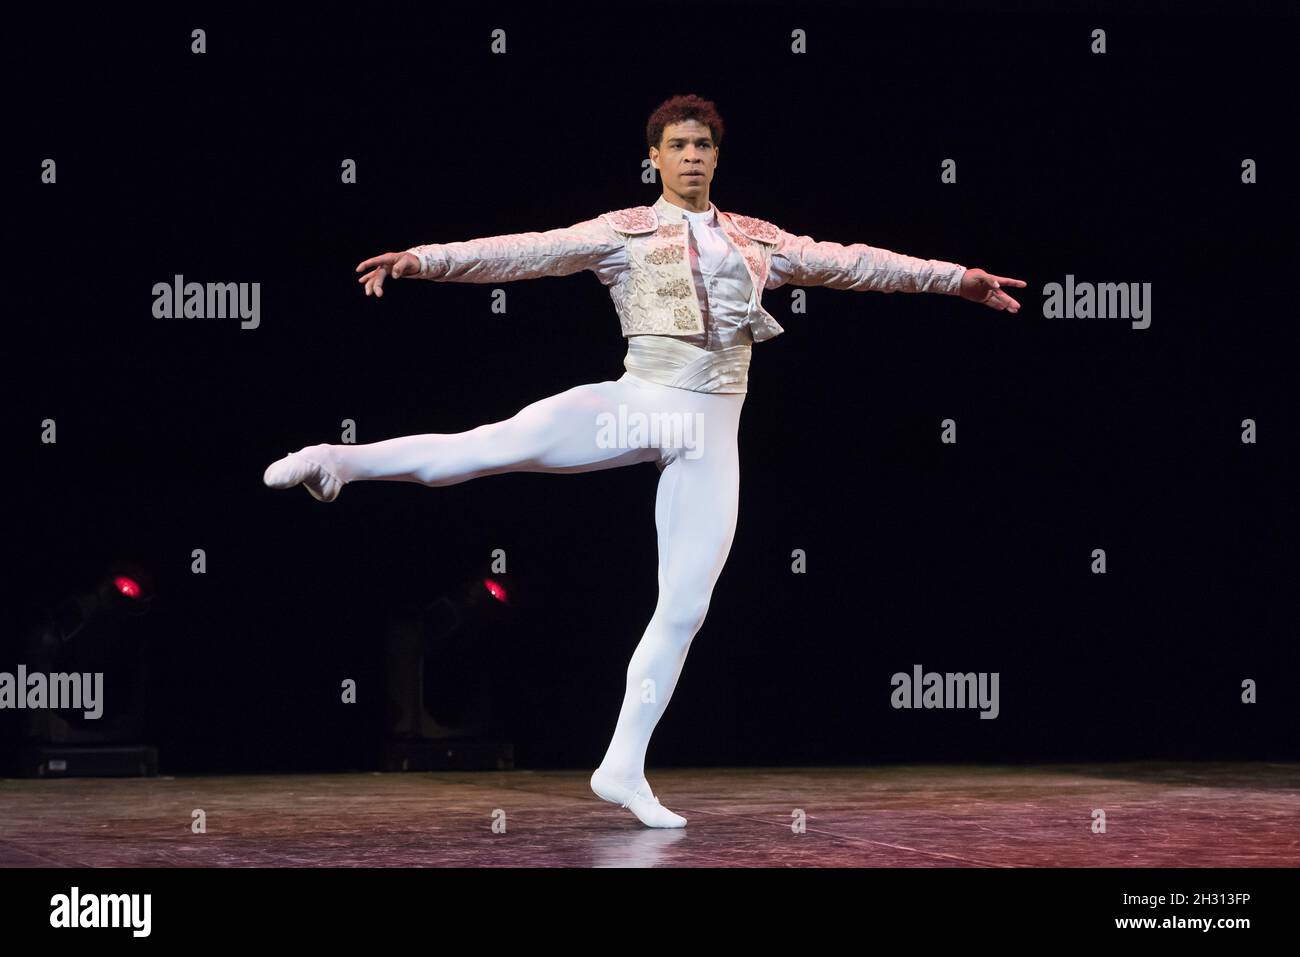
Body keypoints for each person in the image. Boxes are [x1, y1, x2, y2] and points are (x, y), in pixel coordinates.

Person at [263, 94, 1025, 828]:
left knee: (685, 607)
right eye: (678, 146)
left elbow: (857, 263)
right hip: (639, 400)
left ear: (717, 159)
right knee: (483, 448)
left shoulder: (760, 238)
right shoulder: (622, 229)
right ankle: (337, 461)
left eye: (703, 146)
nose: (692, 156)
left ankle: (622, 765)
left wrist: (957, 277)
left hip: (712, 429)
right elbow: (529, 251)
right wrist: (425, 259)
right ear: (653, 158)